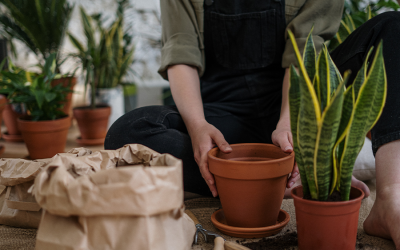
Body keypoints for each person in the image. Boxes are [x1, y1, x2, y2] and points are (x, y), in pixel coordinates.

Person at [105, 0, 400, 247]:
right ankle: (279, 176)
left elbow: (305, 50)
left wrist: (289, 124)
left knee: (391, 26)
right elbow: (181, 52)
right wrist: (198, 126)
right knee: (127, 132)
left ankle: (391, 199)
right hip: (221, 118)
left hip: (301, 101)